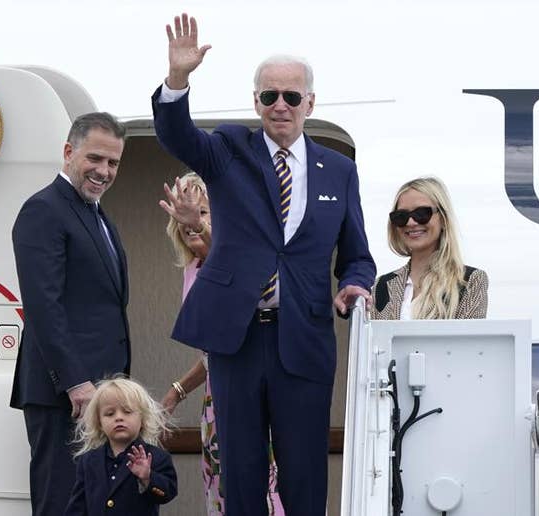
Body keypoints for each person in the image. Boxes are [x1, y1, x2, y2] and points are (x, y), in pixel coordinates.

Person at [152, 14, 376, 516]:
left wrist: (355, 286)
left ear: (310, 103)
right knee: (242, 474)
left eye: (292, 96)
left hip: (305, 338)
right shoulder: (230, 149)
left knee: (304, 476)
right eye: (270, 95)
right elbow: (177, 135)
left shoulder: (338, 171)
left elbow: (357, 255)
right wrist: (178, 80)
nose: (280, 105)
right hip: (239, 339)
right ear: (255, 101)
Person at [10, 112, 131, 516]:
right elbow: (43, 306)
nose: (104, 171)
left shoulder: (99, 217)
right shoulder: (44, 210)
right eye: (95, 158)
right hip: (67, 395)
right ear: (68, 152)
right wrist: (76, 382)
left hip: (101, 394)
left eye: (113, 163)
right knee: (60, 503)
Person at [158, 172, 285, 515]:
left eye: (201, 211)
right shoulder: (193, 268)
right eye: (181, 214)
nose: (190, 221)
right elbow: (214, 350)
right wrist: (176, 392)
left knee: (265, 496)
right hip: (217, 402)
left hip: (255, 397)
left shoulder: (245, 260)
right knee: (223, 497)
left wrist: (209, 235)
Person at [369, 177, 488, 320]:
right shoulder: (381, 286)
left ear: (443, 219)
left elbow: (469, 340)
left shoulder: (469, 281)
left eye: (422, 213)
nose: (411, 222)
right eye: (401, 216)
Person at [64, 377, 177, 516]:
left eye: (127, 411)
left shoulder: (156, 456)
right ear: (99, 423)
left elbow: (168, 493)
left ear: (143, 419)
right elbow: (78, 506)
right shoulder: (88, 460)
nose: (118, 418)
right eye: (110, 414)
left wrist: (147, 478)